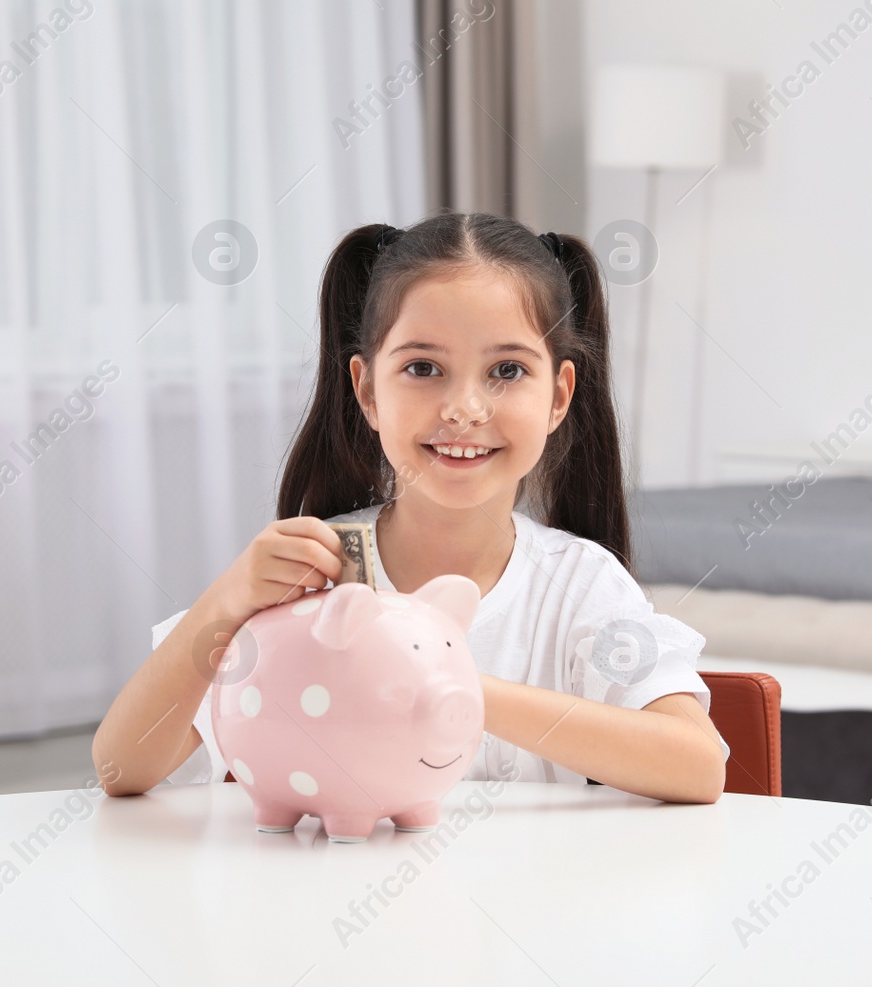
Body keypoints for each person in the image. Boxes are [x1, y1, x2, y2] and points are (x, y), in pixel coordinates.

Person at [93, 212, 727, 803]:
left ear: (559, 396)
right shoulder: (312, 574)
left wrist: (454, 689)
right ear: (367, 391)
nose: (464, 409)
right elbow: (122, 768)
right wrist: (229, 599)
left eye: (507, 371)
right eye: (423, 367)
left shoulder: (579, 585)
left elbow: (697, 765)